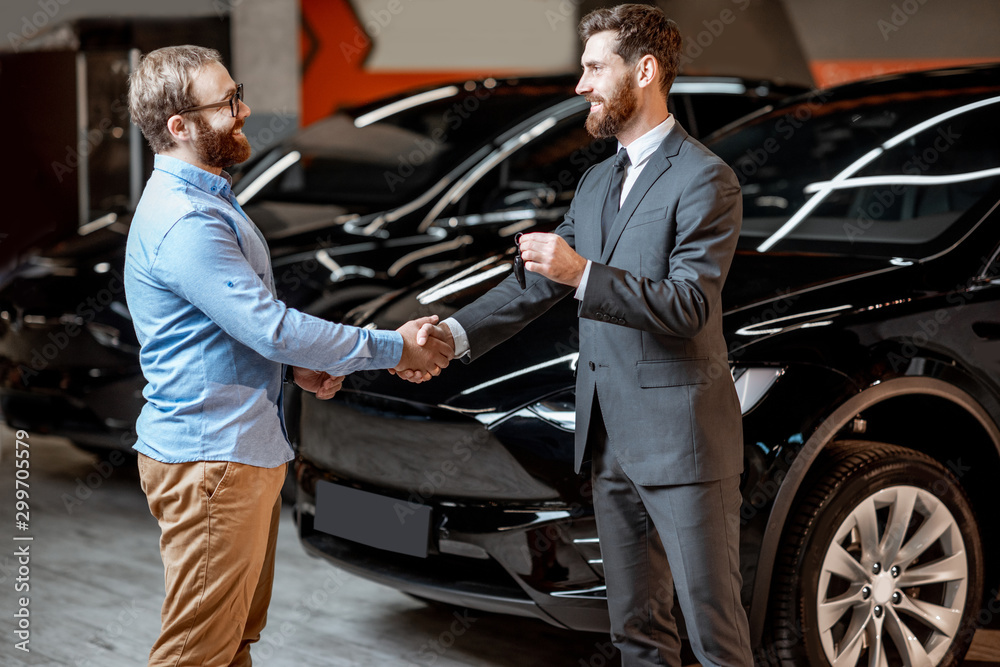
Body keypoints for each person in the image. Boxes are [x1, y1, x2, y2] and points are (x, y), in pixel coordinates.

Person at [409, 6, 751, 666]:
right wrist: (451, 334)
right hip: (608, 446)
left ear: (645, 70)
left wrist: (583, 272)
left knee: (716, 637)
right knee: (635, 634)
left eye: (594, 67)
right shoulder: (596, 181)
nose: (581, 84)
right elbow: (536, 283)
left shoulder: (706, 178)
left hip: (683, 449)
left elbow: (687, 307)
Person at [124, 45, 450, 667]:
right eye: (226, 103)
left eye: (236, 92)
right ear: (179, 126)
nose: (243, 110)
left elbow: (232, 329)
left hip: (234, 452)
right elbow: (270, 327)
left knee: (232, 643)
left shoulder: (204, 198)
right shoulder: (187, 218)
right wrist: (393, 347)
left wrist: (293, 366)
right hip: (213, 461)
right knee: (195, 653)